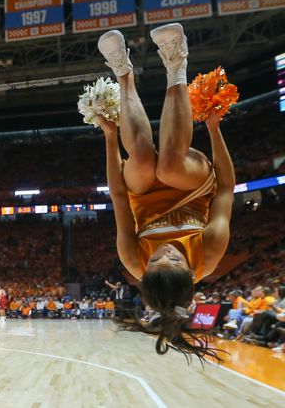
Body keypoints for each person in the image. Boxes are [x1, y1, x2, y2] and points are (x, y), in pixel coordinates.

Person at [95, 24, 234, 362]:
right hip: (192, 186)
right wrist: (214, 130)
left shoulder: (132, 259)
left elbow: (117, 195)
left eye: (156, 259)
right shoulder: (210, 253)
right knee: (168, 165)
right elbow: (227, 189)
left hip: (142, 193)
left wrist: (111, 139)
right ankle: (176, 63)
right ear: (190, 273)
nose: (165, 251)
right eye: (174, 258)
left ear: (145, 270)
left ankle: (122, 71)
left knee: (142, 159)